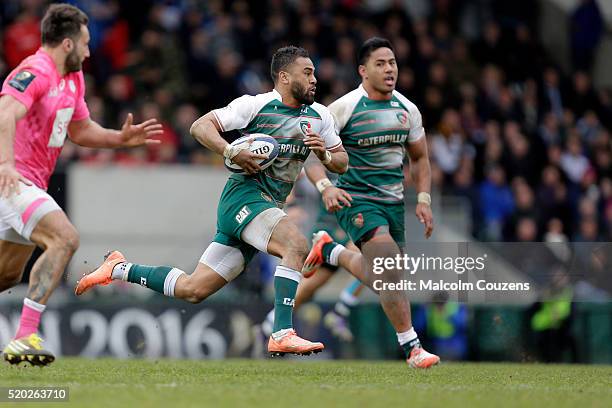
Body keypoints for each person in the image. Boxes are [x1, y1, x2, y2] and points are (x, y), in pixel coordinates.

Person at [75, 46, 349, 357]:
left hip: (265, 209)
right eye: (307, 73)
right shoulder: (256, 105)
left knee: (193, 289)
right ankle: (282, 332)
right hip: (244, 199)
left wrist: (325, 153)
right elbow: (200, 127)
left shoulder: (320, 116)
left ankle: (119, 269)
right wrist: (231, 151)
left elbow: (342, 161)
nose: (315, 79)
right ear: (284, 77)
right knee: (296, 245)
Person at [0, 3, 163, 366]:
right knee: (66, 238)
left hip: (28, 183)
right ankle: (24, 336)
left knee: (8, 273)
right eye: (86, 43)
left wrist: (120, 140)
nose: (91, 51)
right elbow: (5, 112)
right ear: (68, 44)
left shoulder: (72, 79)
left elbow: (80, 130)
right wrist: (6, 165)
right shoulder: (34, 70)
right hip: (11, 180)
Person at [302, 37, 440, 368]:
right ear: (364, 71)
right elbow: (310, 154)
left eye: (392, 62)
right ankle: (412, 348)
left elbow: (420, 159)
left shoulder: (408, 110)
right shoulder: (344, 108)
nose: (389, 69)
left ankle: (331, 250)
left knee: (386, 278)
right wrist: (325, 187)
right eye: (381, 63)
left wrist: (423, 199)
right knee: (388, 267)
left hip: (393, 204)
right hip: (356, 199)